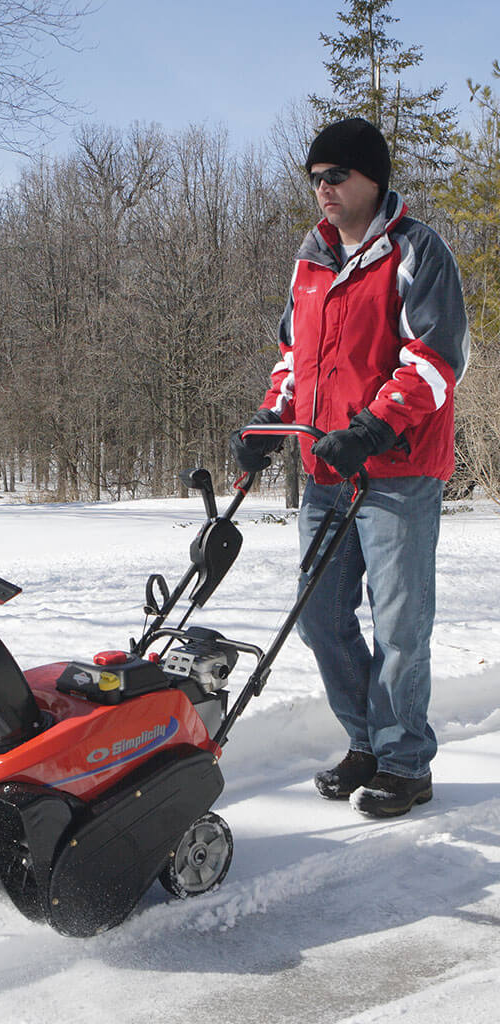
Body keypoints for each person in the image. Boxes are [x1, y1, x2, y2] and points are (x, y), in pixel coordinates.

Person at [231, 117, 469, 818]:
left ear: (371, 178)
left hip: (397, 470)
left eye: (335, 176)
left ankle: (404, 762)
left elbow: (434, 361)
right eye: (314, 178)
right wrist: (271, 420)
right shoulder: (310, 260)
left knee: (398, 624)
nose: (323, 189)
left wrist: (369, 428)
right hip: (326, 471)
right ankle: (367, 741)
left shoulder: (417, 252)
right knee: (321, 619)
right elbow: (293, 359)